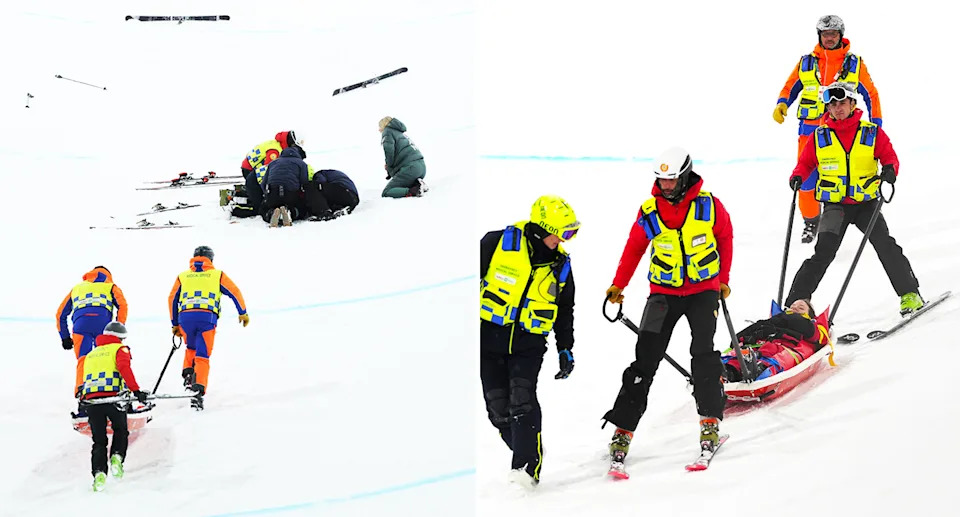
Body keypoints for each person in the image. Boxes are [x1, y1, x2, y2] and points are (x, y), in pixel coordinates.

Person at [601, 147, 733, 465]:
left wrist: (723, 280)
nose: (666, 186)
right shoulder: (649, 211)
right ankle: (623, 429)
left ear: (686, 176)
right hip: (662, 295)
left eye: (672, 180)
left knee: (703, 355)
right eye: (661, 180)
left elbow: (725, 238)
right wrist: (619, 285)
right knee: (644, 361)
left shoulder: (710, 206)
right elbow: (634, 247)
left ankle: (710, 423)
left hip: (703, 292)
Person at [785, 82, 924, 316]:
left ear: (852, 104)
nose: (837, 108)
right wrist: (798, 176)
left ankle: (910, 294)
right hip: (834, 206)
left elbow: (889, 155)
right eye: (833, 104)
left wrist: (890, 169)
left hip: (866, 204)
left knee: (885, 245)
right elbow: (806, 163)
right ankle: (794, 304)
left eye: (842, 103)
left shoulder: (871, 132)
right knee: (823, 253)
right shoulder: (820, 136)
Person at [480, 195, 579, 489]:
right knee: (498, 409)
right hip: (488, 341)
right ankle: (527, 446)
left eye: (568, 235)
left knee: (522, 400)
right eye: (559, 234)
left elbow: (565, 309)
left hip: (529, 345)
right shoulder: (495, 243)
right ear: (540, 229)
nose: (562, 241)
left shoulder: (560, 265)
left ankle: (524, 469)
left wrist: (566, 347)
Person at [773, 15, 884, 244]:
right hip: (810, 132)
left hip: (843, 131)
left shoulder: (854, 64)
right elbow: (790, 86)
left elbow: (871, 94)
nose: (829, 38)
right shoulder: (806, 63)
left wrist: (876, 124)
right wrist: (782, 103)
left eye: (833, 34)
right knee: (806, 180)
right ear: (819, 36)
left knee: (841, 177)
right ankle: (811, 221)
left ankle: (840, 222)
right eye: (825, 34)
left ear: (840, 35)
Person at [167, 246, 249, 410]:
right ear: (210, 259)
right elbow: (234, 291)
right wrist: (242, 312)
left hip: (186, 318)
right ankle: (198, 391)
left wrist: (175, 323)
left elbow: (172, 298)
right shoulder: (217, 275)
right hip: (206, 318)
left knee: (190, 347)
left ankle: (188, 374)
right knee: (203, 355)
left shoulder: (183, 276)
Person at [77, 322, 148, 492]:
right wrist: (136, 391)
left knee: (99, 440)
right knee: (120, 430)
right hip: (113, 397)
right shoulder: (119, 350)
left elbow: (83, 380)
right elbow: (124, 369)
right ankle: (117, 457)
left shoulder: (91, 354)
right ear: (120, 338)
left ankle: (99, 474)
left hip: (93, 401)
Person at [56, 266, 129, 404]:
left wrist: (65, 337)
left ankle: (82, 394)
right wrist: (118, 326)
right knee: (108, 357)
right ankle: (113, 392)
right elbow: (123, 305)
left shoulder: (77, 288)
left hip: (80, 326)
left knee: (84, 359)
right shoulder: (110, 286)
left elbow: (60, 314)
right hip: (103, 325)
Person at [722, 299, 829, 382]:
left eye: (801, 308)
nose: (794, 308)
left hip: (788, 348)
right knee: (745, 351)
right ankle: (729, 370)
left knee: (776, 355)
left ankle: (761, 370)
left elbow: (807, 328)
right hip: (766, 345)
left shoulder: (810, 326)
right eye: (792, 306)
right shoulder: (778, 320)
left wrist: (779, 320)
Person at [236, 131, 302, 218]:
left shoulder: (277, 145)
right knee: (259, 203)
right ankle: (241, 209)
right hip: (251, 171)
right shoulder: (275, 151)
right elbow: (267, 170)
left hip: (251, 169)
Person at [260, 146, 309, 227]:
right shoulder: (302, 164)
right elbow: (304, 182)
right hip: (291, 194)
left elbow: (263, 183)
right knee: (302, 210)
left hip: (273, 193)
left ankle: (271, 213)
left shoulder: (273, 163)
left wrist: (266, 195)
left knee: (263, 209)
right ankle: (290, 212)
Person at [379, 116, 427, 198]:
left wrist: (389, 168)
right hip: (421, 167)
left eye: (380, 126)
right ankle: (418, 184)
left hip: (411, 168)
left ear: (384, 125)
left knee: (387, 192)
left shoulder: (387, 132)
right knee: (404, 183)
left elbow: (389, 152)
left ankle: (415, 190)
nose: (379, 130)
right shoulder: (400, 133)